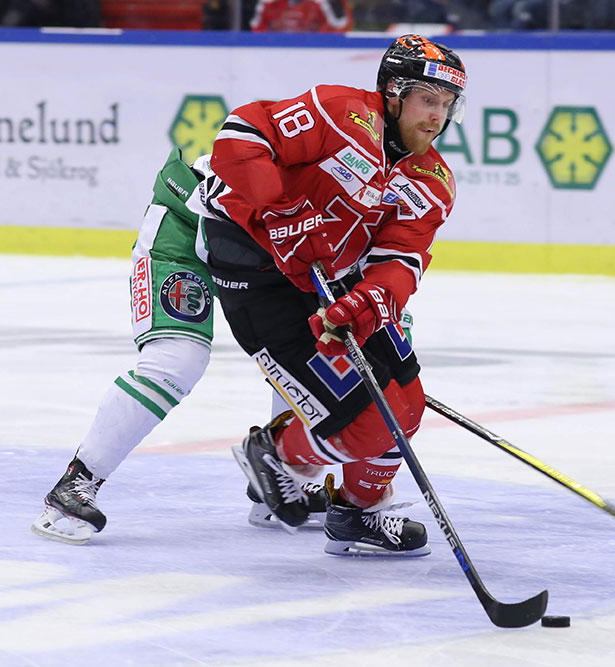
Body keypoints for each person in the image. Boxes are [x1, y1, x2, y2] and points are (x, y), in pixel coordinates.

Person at [199, 34, 466, 557]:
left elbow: (400, 261)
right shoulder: (339, 112)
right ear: (394, 94)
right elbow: (241, 135)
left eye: (447, 104)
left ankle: (354, 514)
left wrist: (366, 304)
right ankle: (276, 454)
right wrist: (278, 209)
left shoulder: (432, 180)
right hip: (256, 267)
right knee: (367, 423)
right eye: (427, 100)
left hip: (328, 279)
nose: (437, 116)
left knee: (406, 408)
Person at [30, 144, 331, 545]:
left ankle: (277, 481)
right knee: (177, 360)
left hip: (265, 255)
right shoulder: (348, 146)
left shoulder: (396, 178)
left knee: (310, 353)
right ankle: (74, 485)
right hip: (188, 230)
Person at [250, 0, 351, 31]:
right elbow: (255, 32)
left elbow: (338, 31)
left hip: (313, 57)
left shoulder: (320, 4)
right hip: (273, 57)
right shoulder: (267, 4)